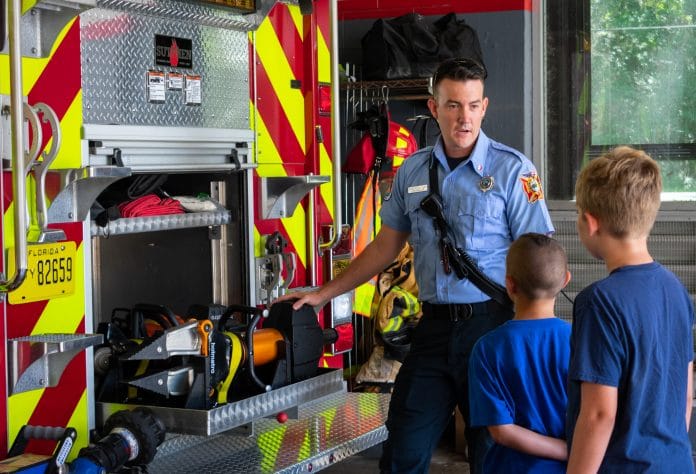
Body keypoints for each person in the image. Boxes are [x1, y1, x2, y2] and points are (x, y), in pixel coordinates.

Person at [280, 57, 554, 473]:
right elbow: (384, 246)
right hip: (433, 329)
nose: (464, 117)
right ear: (433, 107)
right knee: (402, 452)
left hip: (493, 328)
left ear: (485, 106)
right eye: (453, 105)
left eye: (473, 105)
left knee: (495, 456)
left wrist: (534, 336)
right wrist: (323, 294)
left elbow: (539, 254)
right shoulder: (412, 171)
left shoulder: (513, 170)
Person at [566, 146, 694, 473]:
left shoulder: (598, 302)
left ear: (590, 222)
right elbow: (684, 394)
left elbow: (598, 414)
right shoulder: (676, 291)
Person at [468, 233, 571, 473]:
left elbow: (501, 431)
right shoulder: (581, 341)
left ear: (510, 284)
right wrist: (571, 450)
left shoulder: (487, 348)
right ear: (565, 280)